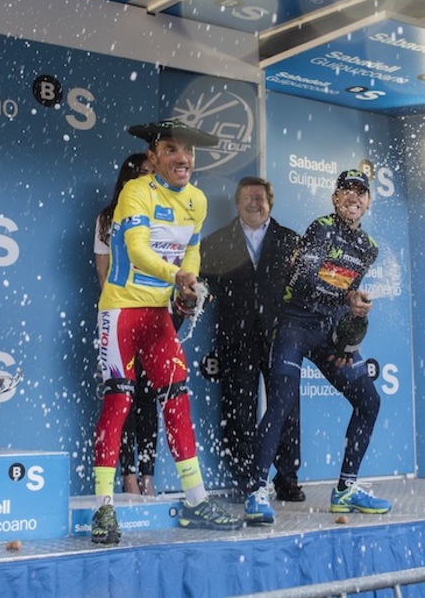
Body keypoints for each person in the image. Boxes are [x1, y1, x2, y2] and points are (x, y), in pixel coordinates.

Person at [91, 119, 242, 544]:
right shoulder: (135, 192)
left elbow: (191, 247)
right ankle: (104, 509)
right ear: (153, 158)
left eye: (188, 152)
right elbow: (138, 251)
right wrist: (177, 276)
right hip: (121, 310)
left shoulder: (196, 199)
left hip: (158, 316)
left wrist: (190, 279)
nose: (183, 159)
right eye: (172, 151)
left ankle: (195, 500)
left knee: (177, 401)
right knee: (119, 402)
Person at [244, 169, 392, 524]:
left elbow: (346, 300)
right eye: (347, 191)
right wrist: (348, 295)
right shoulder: (321, 227)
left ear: (368, 202)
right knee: (280, 403)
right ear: (335, 198)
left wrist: (346, 335)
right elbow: (304, 280)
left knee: (369, 401)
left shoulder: (368, 248)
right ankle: (255, 491)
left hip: (328, 333)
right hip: (295, 325)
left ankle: (345, 489)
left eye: (361, 192)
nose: (354, 197)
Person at [200, 177, 303, 503]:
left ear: (270, 202)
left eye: (259, 197)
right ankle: (247, 480)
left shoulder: (291, 241)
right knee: (237, 409)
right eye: (247, 197)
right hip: (237, 337)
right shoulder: (215, 242)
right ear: (237, 203)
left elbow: (304, 290)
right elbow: (200, 283)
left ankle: (287, 478)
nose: (253, 203)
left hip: (281, 338)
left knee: (286, 408)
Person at [94, 153, 159, 496]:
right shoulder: (108, 217)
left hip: (155, 316)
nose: (151, 180)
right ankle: (127, 475)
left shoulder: (164, 213)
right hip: (120, 318)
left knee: (150, 398)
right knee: (123, 398)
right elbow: (103, 273)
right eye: (146, 173)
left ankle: (148, 475)